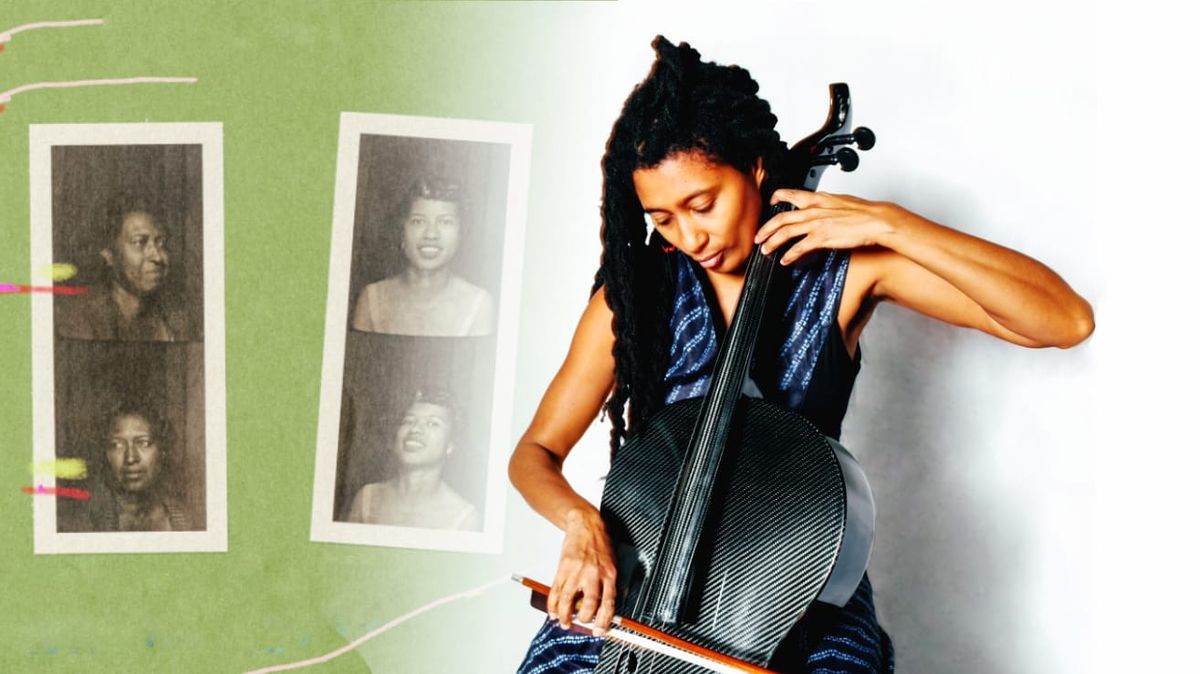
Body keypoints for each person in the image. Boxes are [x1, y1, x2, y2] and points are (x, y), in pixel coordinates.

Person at [507, 37, 1093, 673]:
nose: (689, 235)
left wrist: (891, 224)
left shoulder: (844, 275)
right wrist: (581, 525)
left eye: (703, 204)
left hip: (803, 586)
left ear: (757, 168)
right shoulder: (635, 294)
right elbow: (534, 453)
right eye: (664, 218)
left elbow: (1063, 320)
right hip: (647, 583)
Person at [351, 175, 494, 337]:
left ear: (461, 234)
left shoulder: (478, 304)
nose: (431, 234)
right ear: (401, 232)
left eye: (445, 222)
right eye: (418, 221)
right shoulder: (371, 299)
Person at [56, 193, 191, 342]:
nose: (158, 257)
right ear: (109, 255)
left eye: (161, 243)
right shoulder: (79, 318)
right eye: (140, 242)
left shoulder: (176, 320)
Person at [345, 389, 480, 530]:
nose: (415, 429)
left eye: (433, 423)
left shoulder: (463, 518)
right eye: (408, 421)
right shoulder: (367, 498)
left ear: (450, 445)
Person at [82, 401, 192, 532]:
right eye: (117, 445)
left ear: (162, 451)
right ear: (106, 455)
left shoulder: (184, 520)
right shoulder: (86, 524)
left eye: (143, 443)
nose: (130, 458)